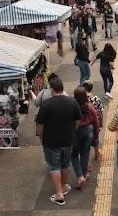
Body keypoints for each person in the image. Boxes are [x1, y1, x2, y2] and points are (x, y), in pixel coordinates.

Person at [35, 76, 82, 206]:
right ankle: (63, 186)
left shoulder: (46, 105)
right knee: (65, 164)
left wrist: (41, 137)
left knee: (54, 166)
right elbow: (78, 120)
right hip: (68, 140)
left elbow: (40, 125)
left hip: (51, 141)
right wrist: (72, 131)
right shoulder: (72, 102)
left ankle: (59, 194)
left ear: (52, 89)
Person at [70, 87, 100, 190]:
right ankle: (84, 174)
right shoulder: (90, 107)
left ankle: (79, 176)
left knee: (73, 154)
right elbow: (96, 122)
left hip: (76, 132)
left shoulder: (73, 107)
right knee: (85, 154)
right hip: (88, 132)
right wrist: (96, 135)